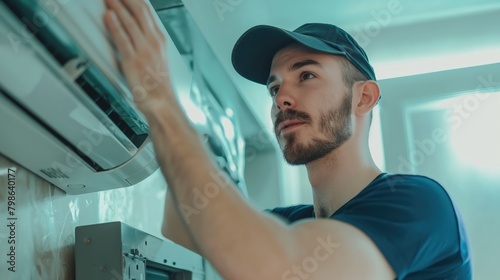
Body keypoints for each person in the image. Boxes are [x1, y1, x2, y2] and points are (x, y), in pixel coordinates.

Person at [102, 0, 472, 279]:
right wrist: (200, 139)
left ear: (363, 98)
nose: (281, 98)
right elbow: (182, 227)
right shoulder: (292, 223)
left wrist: (160, 99)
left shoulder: (417, 205)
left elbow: (279, 267)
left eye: (306, 75)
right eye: (274, 87)